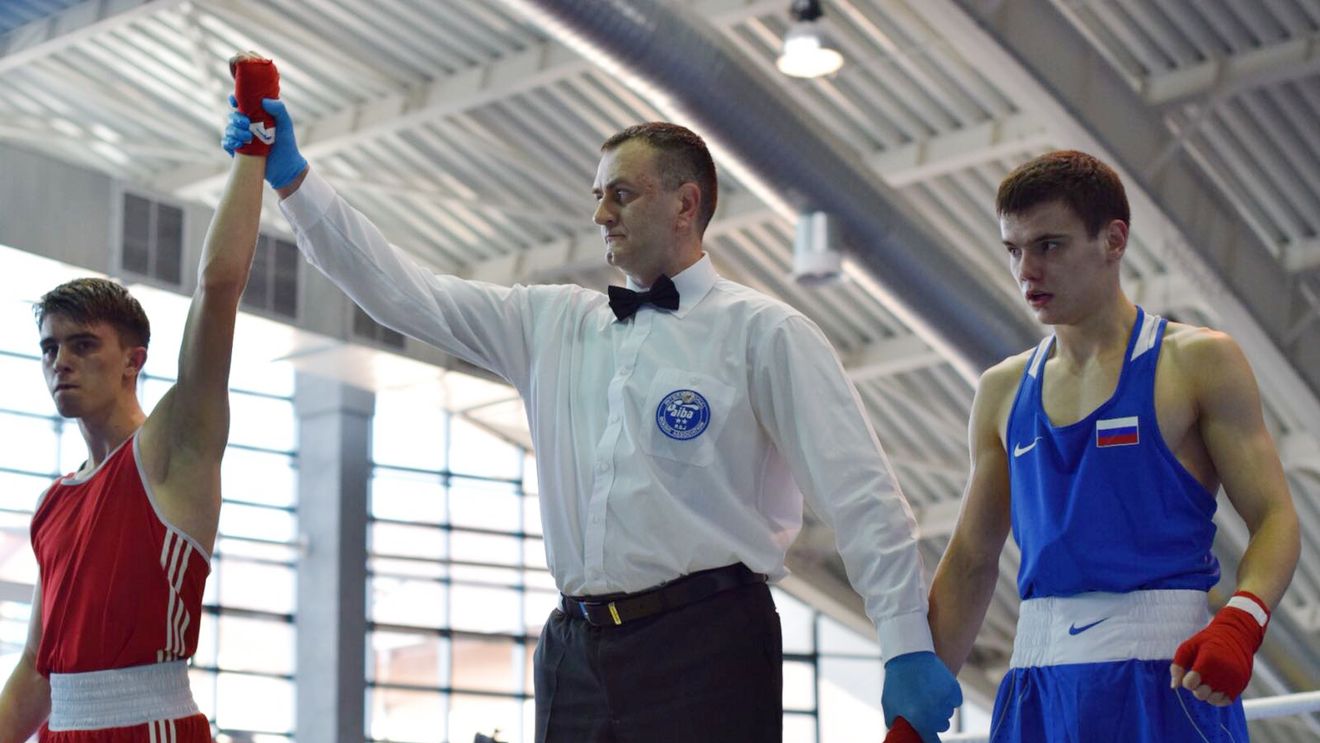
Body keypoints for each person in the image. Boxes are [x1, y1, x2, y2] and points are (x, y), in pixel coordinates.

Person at [221, 57, 962, 742]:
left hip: (709, 647)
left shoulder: (766, 333)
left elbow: (862, 496)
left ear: (686, 204)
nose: (601, 213)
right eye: (598, 195)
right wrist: (295, 183)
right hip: (574, 652)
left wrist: (903, 644)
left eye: (622, 194)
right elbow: (402, 291)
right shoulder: (549, 323)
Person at [927, 150, 1300, 741]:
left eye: (1049, 246)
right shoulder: (1002, 390)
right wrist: (917, 702)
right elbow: (972, 559)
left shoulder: (1197, 361)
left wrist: (1243, 619)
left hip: (1165, 682)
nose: (1027, 271)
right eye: (1013, 250)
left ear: (1114, 240)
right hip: (1037, 690)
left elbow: (1275, 516)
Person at [0, 54, 275, 742]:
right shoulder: (54, 503)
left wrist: (252, 149)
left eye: (82, 344)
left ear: (134, 360)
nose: (61, 361)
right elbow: (36, 670)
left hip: (152, 725)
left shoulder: (173, 449)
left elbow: (217, 289)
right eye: (49, 347)